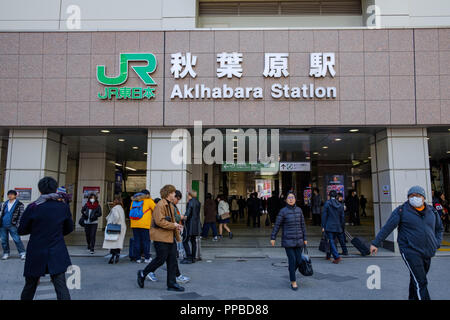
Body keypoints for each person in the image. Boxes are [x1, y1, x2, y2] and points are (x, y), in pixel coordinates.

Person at [370, 186, 443, 300]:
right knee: (421, 281)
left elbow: (439, 229)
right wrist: (375, 243)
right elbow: (388, 227)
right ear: (408, 198)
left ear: (423, 198)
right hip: (410, 250)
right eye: (411, 196)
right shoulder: (401, 210)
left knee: (416, 279)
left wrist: (437, 243)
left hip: (428, 251)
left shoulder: (432, 211)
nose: (415, 198)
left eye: (418, 196)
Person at [18, 177, 73, 300]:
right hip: (57, 250)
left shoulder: (33, 207)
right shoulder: (63, 207)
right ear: (55, 188)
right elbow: (69, 228)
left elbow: (21, 230)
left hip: (36, 250)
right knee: (61, 287)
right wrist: (57, 233)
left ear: (40, 190)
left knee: (30, 286)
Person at [137, 184, 184, 291]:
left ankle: (171, 284)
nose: (174, 194)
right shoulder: (160, 205)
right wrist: (174, 225)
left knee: (172, 260)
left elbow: (170, 221)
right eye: (173, 193)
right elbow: (159, 221)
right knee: (160, 259)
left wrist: (177, 225)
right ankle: (143, 273)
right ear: (168, 194)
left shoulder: (170, 205)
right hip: (161, 237)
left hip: (169, 237)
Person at [270, 192, 307, 291]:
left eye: (292, 197)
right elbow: (277, 225)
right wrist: (273, 237)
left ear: (295, 199)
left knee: (299, 261)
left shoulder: (299, 210)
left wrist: (305, 238)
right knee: (292, 260)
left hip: (299, 240)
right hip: (288, 240)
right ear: (286, 200)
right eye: (289, 198)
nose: (291, 199)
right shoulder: (283, 211)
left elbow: (303, 225)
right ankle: (293, 281)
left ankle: (291, 270)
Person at [167, 190, 190, 284]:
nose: (177, 201)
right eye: (177, 199)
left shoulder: (170, 205)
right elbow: (174, 218)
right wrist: (181, 218)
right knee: (161, 259)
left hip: (171, 233)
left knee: (171, 257)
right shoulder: (168, 205)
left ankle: (176, 277)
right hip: (167, 235)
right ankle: (145, 272)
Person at [130, 189, 156, 263]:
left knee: (137, 241)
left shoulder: (133, 201)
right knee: (146, 241)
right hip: (144, 224)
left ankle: (138, 258)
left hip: (134, 224)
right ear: (147, 195)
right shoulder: (149, 201)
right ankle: (147, 258)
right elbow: (156, 209)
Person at [322, 190, 347, 264]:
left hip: (329, 226)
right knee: (333, 241)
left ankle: (336, 257)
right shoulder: (340, 205)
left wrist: (323, 226)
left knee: (330, 241)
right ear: (336, 196)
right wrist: (342, 226)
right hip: (338, 226)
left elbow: (324, 216)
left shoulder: (327, 203)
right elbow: (342, 217)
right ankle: (328, 255)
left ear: (329, 196)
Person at [0, 190, 26, 260]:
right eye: (9, 194)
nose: (10, 195)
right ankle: (6, 253)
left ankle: (22, 253)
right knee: (4, 240)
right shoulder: (4, 204)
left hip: (13, 225)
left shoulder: (19, 204)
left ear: (15, 195)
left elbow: (21, 215)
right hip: (2, 225)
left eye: (11, 194)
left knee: (17, 239)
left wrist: (17, 224)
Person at [102, 195, 127, 264]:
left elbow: (116, 217)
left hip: (115, 227)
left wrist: (113, 223)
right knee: (118, 242)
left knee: (112, 241)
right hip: (121, 227)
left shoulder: (115, 208)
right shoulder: (121, 208)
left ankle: (113, 256)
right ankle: (117, 255)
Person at [181, 191, 201, 264]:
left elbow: (188, 213)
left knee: (185, 240)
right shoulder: (198, 202)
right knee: (193, 241)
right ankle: (193, 258)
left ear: (189, 195)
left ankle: (189, 257)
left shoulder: (190, 202)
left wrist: (184, 217)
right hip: (196, 225)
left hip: (189, 225)